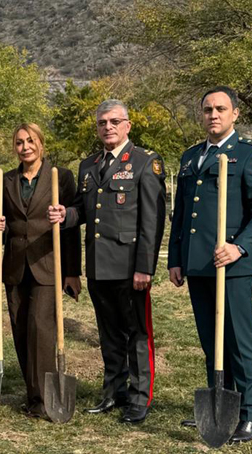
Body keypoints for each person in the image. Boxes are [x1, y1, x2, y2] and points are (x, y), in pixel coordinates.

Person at [48, 99, 166, 424]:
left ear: (128, 125)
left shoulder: (145, 162)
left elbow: (152, 220)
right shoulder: (89, 165)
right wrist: (66, 214)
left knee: (137, 334)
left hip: (130, 267)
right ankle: (114, 391)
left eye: (114, 121)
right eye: (102, 123)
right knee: (109, 335)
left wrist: (145, 267)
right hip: (99, 265)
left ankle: (140, 398)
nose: (108, 127)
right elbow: (83, 211)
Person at [168, 86, 252, 443]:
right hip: (197, 263)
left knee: (239, 341)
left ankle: (250, 413)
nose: (213, 115)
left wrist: (239, 247)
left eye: (220, 109)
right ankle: (221, 406)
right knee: (210, 340)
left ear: (235, 114)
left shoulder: (250, 154)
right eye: (207, 109)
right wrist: (175, 258)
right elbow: (181, 213)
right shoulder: (191, 157)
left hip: (231, 264)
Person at [0, 123, 81, 418]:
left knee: (41, 329)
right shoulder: (7, 179)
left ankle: (44, 401)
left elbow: (70, 229)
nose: (25, 147)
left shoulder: (60, 177)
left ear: (41, 143)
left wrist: (72, 271)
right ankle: (33, 394)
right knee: (20, 329)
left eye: (31, 141)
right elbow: (6, 225)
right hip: (16, 266)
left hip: (48, 264)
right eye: (19, 142)